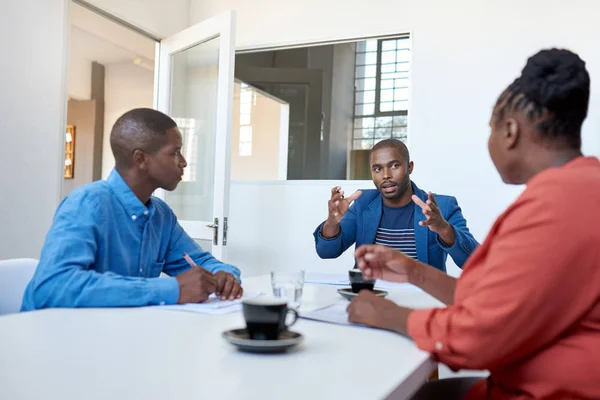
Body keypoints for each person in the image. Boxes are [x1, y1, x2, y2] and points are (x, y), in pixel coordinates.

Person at [347, 48, 600, 399]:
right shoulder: (583, 187)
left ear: (509, 131)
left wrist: (388, 314)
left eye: (490, 129)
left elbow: (477, 336)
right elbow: (494, 299)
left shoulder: (554, 207)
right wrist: (412, 271)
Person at [21, 108, 242, 311]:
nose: (183, 162)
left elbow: (201, 263)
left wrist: (224, 276)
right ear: (141, 159)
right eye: (174, 153)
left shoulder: (161, 216)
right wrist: (173, 290)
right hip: (53, 341)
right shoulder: (86, 204)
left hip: (116, 336)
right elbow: (53, 287)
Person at [313, 139, 478, 272]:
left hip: (420, 301)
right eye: (377, 169)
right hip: (371, 298)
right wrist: (332, 223)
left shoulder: (441, 206)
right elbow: (327, 252)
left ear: (409, 167)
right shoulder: (363, 203)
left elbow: (474, 261)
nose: (386, 175)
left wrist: (444, 229)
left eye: (394, 166)